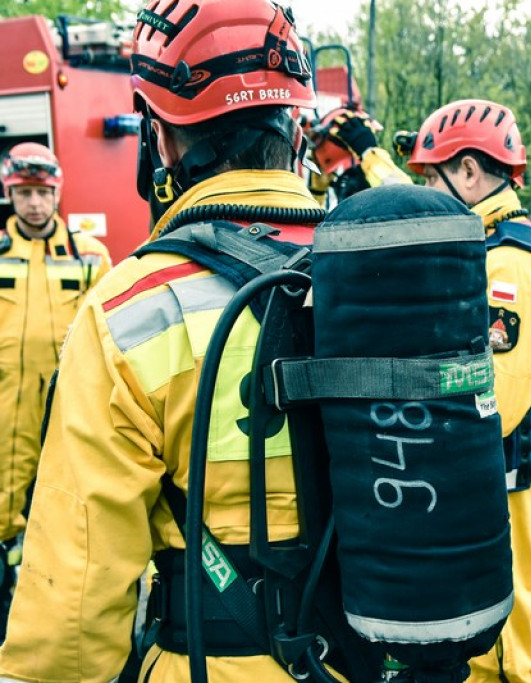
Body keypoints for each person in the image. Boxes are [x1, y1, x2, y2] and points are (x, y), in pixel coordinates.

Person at [0, 0, 357, 679]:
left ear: (160, 140)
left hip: (217, 660)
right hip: (371, 657)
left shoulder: (129, 308)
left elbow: (74, 601)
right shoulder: (381, 274)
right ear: (296, 127)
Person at [397, 98, 531, 683]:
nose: (428, 191)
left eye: (433, 176)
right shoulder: (489, 247)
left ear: (470, 171)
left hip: (501, 474)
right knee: (530, 608)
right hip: (506, 474)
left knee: (506, 619)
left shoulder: (506, 266)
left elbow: (499, 396)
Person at [0, 142, 111, 639]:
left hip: (66, 405)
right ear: (10, 193)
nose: (35, 204)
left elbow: (109, 329)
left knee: (65, 503)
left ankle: (59, 611)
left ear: (57, 191)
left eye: (42, 193)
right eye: (24, 193)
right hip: (5, 405)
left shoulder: (90, 255)